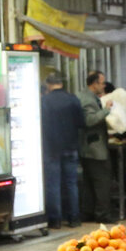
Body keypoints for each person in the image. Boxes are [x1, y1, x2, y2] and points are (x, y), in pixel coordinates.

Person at [40, 72, 84, 229]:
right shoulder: (73, 99)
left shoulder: (44, 101)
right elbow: (81, 122)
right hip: (71, 146)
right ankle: (74, 218)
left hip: (51, 148)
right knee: (72, 183)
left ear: (49, 85)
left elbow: (41, 125)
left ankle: (55, 219)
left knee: (53, 184)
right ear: (62, 84)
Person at [78, 71, 114, 224]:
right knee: (101, 183)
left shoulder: (89, 97)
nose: (104, 85)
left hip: (89, 148)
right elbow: (90, 120)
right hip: (94, 149)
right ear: (94, 84)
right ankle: (102, 214)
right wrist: (106, 110)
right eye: (102, 82)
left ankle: (88, 212)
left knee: (89, 184)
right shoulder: (87, 100)